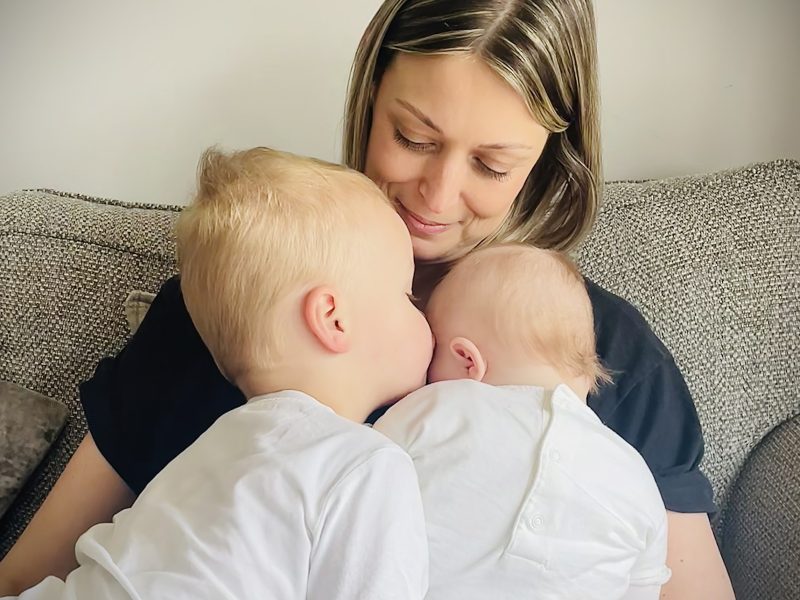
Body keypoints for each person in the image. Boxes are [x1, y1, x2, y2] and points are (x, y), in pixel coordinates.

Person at [0, 1, 734, 597]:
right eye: (413, 138)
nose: (438, 196)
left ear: (548, 160)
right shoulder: (243, 293)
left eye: (490, 163)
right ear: (370, 99)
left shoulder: (595, 348)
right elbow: (35, 574)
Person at [4, 147, 432, 599]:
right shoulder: (365, 466)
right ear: (333, 318)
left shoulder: (204, 448)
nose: (425, 316)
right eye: (408, 296)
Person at [374, 244, 671, 600]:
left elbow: (359, 483)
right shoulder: (635, 474)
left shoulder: (433, 407)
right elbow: (643, 588)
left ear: (467, 359)